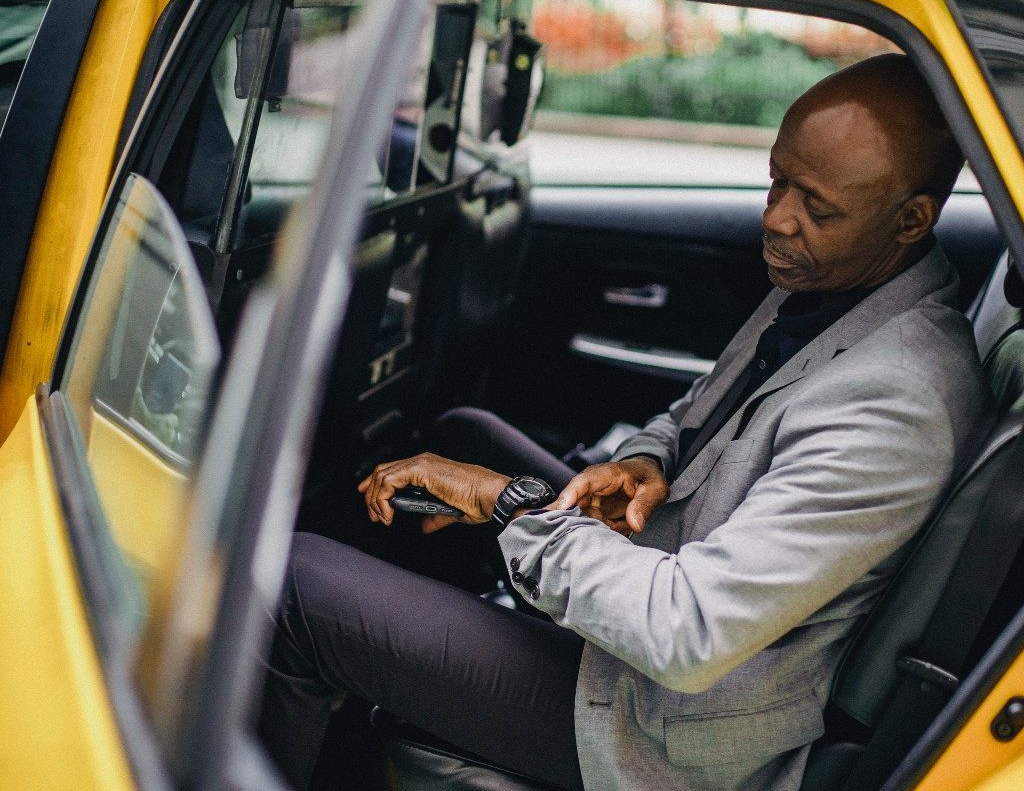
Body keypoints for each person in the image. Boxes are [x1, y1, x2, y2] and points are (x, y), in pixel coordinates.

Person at [259, 54, 994, 791]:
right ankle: (366, 685)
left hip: (662, 725)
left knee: (293, 585)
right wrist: (649, 464)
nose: (776, 216)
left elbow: (689, 632)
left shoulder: (898, 400)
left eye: (817, 207)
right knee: (461, 435)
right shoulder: (832, 286)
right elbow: (693, 415)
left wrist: (506, 503)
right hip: (651, 601)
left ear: (912, 220)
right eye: (777, 180)